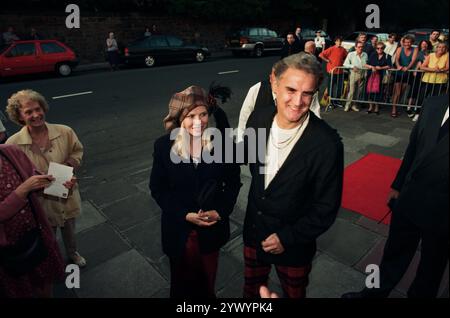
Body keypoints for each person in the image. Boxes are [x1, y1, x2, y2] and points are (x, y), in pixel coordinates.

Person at [241, 52, 344, 298]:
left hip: (294, 246)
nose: (298, 101)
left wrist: (288, 237)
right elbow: (251, 166)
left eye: (307, 93)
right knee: (250, 293)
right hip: (254, 233)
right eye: (290, 89)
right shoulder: (259, 118)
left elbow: (326, 207)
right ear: (274, 84)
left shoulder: (328, 144)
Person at [342, 94, 449, 298]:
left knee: (432, 267)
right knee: (392, 254)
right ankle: (371, 294)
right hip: (410, 196)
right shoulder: (434, 103)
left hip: (442, 210)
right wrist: (397, 185)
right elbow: (413, 148)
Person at [149, 85, 241, 298]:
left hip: (211, 232)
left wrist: (220, 211)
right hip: (178, 232)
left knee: (206, 285)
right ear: (180, 118)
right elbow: (158, 189)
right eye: (191, 116)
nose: (198, 121)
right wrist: (184, 214)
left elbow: (234, 183)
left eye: (203, 114)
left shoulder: (222, 144)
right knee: (180, 287)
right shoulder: (164, 146)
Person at [5, 89, 86, 268]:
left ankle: (73, 253)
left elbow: (77, 151)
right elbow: (12, 177)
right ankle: (52, 260)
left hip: (67, 193)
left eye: (38, 108)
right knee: (47, 234)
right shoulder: (12, 144)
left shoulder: (65, 131)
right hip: (40, 202)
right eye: (28, 112)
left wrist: (70, 165)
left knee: (70, 229)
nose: (36, 115)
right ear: (19, 117)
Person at [0, 144, 65, 298]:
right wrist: (22, 190)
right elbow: (26, 187)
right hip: (5, 252)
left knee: (44, 284)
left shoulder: (10, 151)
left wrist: (61, 183)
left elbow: (36, 179)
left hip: (36, 235)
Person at [391, 34, 418, 118]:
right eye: (406, 42)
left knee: (402, 92)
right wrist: (398, 66)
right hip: (399, 72)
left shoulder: (415, 49)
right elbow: (396, 59)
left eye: (409, 42)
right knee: (397, 92)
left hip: (407, 73)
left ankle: (395, 106)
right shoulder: (399, 48)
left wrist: (408, 68)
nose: (407, 44)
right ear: (403, 42)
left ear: (412, 42)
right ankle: (394, 109)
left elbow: (413, 60)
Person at [319, 36, 348, 106]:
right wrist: (327, 60)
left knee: (340, 87)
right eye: (338, 41)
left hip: (340, 71)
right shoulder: (331, 48)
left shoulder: (343, 50)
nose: (339, 43)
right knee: (330, 87)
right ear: (335, 42)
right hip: (331, 71)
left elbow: (347, 56)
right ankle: (331, 101)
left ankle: (337, 101)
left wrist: (344, 62)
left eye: (340, 41)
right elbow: (321, 55)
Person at [364, 42, 392, 114]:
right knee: (369, 91)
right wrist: (372, 67)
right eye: (378, 48)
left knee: (378, 92)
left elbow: (389, 66)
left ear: (384, 48)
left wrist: (381, 67)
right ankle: (370, 107)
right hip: (371, 76)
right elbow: (366, 64)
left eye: (381, 48)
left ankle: (376, 108)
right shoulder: (373, 55)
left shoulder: (387, 56)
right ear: (376, 48)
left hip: (380, 76)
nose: (379, 49)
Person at [343, 41, 369, 112]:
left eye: (362, 47)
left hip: (362, 74)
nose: (360, 48)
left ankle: (354, 105)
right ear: (355, 47)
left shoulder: (365, 54)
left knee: (359, 92)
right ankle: (347, 105)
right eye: (359, 47)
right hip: (354, 74)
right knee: (352, 91)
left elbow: (365, 64)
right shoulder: (351, 54)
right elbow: (345, 64)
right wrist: (352, 66)